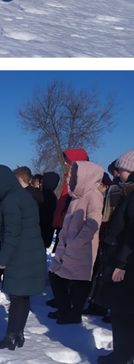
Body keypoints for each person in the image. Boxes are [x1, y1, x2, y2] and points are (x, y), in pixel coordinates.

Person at [0, 165, 47, 351]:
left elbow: (12, 233)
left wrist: (2, 258)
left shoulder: (12, 201)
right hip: (30, 252)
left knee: (16, 296)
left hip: (20, 255)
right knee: (22, 296)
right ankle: (18, 333)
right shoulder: (23, 195)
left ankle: (10, 337)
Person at [48, 160, 104, 324]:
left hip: (81, 249)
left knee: (79, 283)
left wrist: (76, 242)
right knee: (56, 276)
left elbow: (93, 223)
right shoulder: (76, 196)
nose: (72, 179)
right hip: (67, 247)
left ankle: (73, 315)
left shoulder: (94, 196)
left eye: (76, 176)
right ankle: (65, 310)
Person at [94, 148, 134, 364]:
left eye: (122, 169)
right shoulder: (128, 192)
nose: (118, 173)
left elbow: (130, 232)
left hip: (126, 262)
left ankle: (123, 356)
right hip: (125, 259)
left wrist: (121, 263)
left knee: (122, 312)